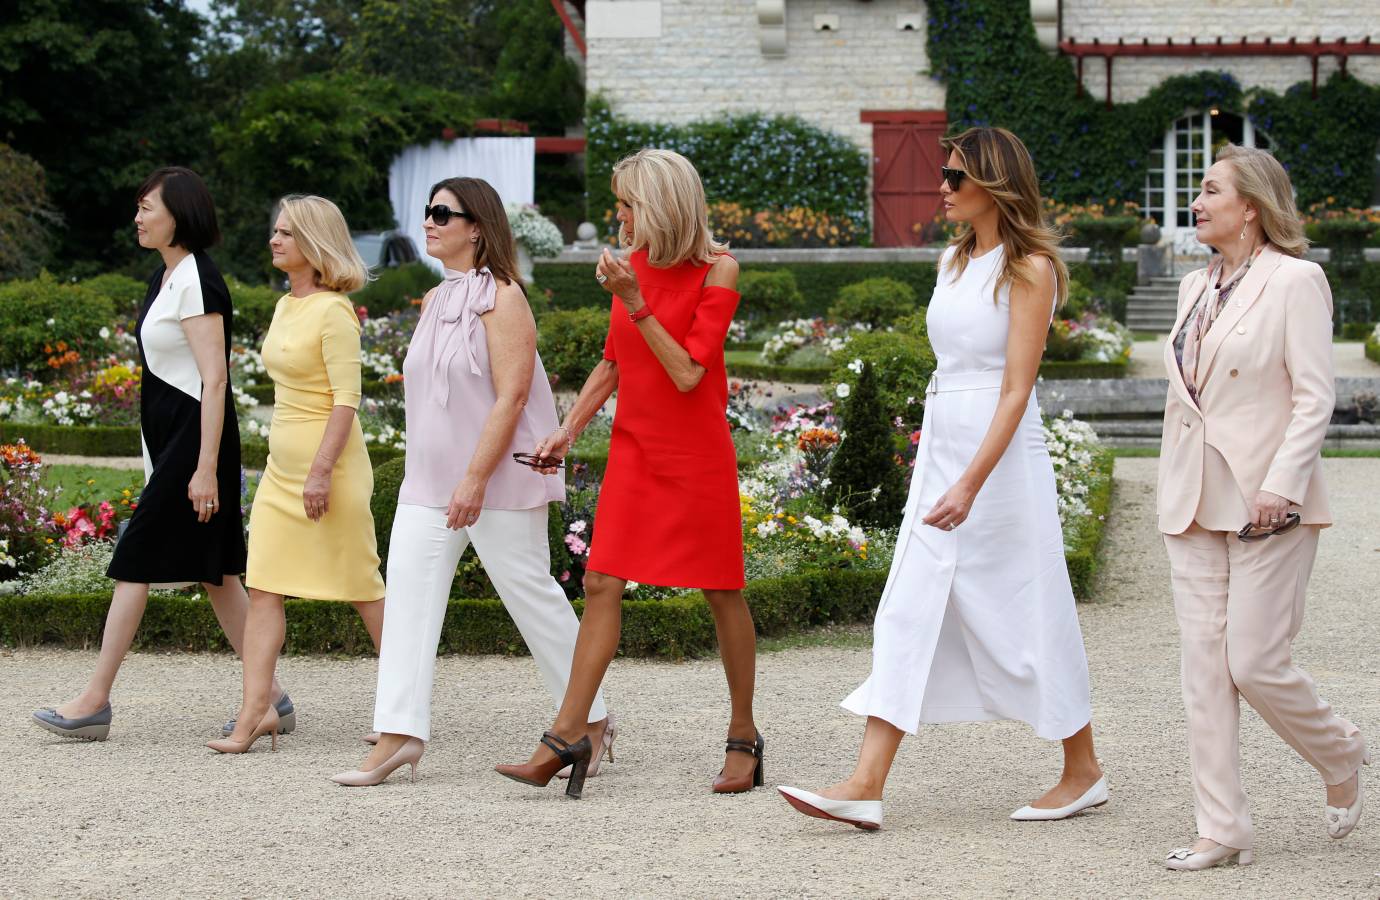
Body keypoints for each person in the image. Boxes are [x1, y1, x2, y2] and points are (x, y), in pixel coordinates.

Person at [778, 127, 1105, 831]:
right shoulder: (953, 262)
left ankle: (1082, 769)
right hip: (946, 447)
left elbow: (1016, 391)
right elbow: (951, 369)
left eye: (956, 177)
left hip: (1002, 461)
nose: (943, 188)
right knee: (908, 608)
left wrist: (971, 484)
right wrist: (939, 469)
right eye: (944, 175)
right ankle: (865, 782)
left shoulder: (1032, 268)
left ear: (995, 183)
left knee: (1027, 611)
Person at [494, 148, 760, 798]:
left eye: (627, 204)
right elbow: (616, 362)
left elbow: (690, 372)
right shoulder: (630, 268)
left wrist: (637, 300)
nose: (618, 216)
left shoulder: (719, 270)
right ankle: (568, 733)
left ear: (661, 205)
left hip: (696, 454)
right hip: (637, 450)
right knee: (601, 580)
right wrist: (567, 428)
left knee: (721, 591)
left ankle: (744, 733)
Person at [330, 177, 611, 787]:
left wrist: (474, 479)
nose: (427, 222)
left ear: (476, 226)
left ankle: (590, 717)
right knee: (405, 597)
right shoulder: (434, 300)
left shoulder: (505, 297)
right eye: (426, 212)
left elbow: (511, 397)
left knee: (530, 593)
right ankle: (400, 733)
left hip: (496, 479)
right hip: (427, 480)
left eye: (441, 213)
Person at [1156, 145, 1368, 871]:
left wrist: (1281, 484)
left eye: (1211, 189)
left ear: (1251, 206)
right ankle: (1222, 829)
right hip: (1190, 498)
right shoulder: (1192, 285)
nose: (1198, 199)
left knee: (1253, 660)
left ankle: (1339, 750)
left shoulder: (1296, 281)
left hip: (1267, 500)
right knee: (1204, 673)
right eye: (1198, 189)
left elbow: (1316, 395)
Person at [32, 167, 289, 742]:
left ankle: (95, 699)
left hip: (194, 449)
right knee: (219, 576)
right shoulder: (167, 276)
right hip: (176, 447)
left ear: (180, 214)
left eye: (147, 207)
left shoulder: (197, 278)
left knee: (134, 561)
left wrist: (202, 469)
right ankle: (270, 698)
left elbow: (214, 382)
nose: (138, 216)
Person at [208, 195, 385, 754]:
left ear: (314, 243)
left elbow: (346, 400)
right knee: (263, 588)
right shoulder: (288, 305)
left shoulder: (334, 312)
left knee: (364, 589)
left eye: (286, 232)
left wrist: (320, 472)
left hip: (328, 472)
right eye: (275, 230)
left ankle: (402, 709)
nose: (274, 239)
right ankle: (254, 715)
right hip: (281, 474)